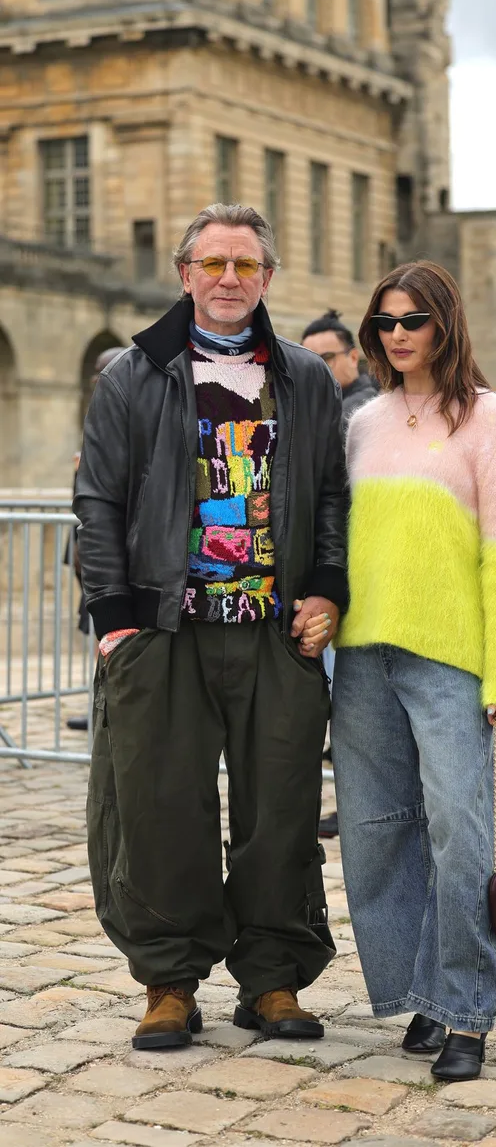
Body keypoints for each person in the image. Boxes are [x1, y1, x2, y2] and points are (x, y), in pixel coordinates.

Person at [74, 203, 348, 1051]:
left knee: (280, 812)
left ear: (268, 278)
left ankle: (271, 979)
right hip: (166, 630)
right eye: (214, 263)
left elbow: (334, 498)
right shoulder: (132, 373)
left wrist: (326, 589)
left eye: (247, 266)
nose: (230, 279)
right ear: (184, 273)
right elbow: (98, 500)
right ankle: (168, 980)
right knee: (160, 810)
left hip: (273, 632)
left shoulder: (304, 377)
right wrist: (116, 622)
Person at [331, 261, 496, 1082]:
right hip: (363, 657)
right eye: (384, 323)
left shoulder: (492, 423)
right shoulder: (365, 422)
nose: (398, 334)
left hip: (450, 660)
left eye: (413, 319)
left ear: (445, 323)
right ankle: (423, 992)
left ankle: (468, 1013)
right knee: (378, 835)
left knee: (461, 837)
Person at [302, 311, 378, 838]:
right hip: (332, 576)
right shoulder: (325, 404)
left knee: (356, 715)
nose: (321, 368)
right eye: (312, 360)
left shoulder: (365, 412)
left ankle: (362, 809)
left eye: (328, 357)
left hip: (359, 578)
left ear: (353, 356)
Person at [66, 346, 124, 733]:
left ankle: (108, 710)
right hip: (91, 546)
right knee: (95, 635)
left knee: (110, 639)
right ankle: (98, 707)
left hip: (114, 557)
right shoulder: (98, 414)